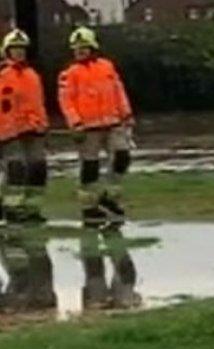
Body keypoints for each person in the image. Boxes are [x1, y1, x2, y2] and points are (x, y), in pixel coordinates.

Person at [57, 26, 134, 228]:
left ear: (92, 47)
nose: (80, 51)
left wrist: (126, 113)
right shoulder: (69, 74)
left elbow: (119, 91)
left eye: (84, 47)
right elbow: (66, 101)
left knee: (122, 156)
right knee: (90, 168)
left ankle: (109, 195)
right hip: (87, 127)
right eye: (77, 48)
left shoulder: (107, 66)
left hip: (113, 122)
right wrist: (75, 123)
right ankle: (89, 207)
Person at [0, 29, 49, 225]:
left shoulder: (32, 75)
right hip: (9, 132)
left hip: (34, 129)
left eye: (22, 49)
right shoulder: (2, 75)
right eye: (15, 49)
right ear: (7, 51)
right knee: (15, 168)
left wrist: (43, 125)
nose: (19, 53)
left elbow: (39, 102)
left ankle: (32, 209)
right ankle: (11, 210)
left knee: (38, 168)